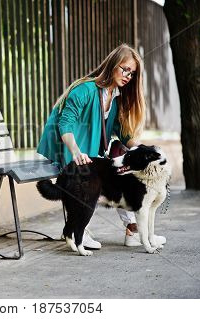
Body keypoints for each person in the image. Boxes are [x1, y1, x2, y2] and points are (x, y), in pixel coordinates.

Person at [37, 43, 166, 249]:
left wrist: (142, 150)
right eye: (125, 69)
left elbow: (123, 134)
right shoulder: (85, 89)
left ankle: (132, 228)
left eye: (132, 74)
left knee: (121, 169)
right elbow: (66, 123)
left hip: (89, 151)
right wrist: (76, 152)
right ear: (113, 65)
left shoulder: (114, 97)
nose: (128, 76)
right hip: (67, 147)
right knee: (96, 175)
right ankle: (80, 229)